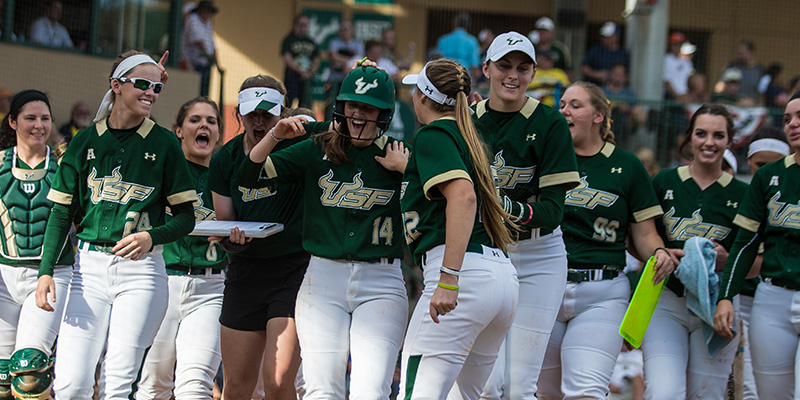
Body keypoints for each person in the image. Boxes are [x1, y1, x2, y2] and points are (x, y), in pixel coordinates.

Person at [238, 64, 409, 399]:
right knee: (320, 389)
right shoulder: (318, 147)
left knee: (370, 390)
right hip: (323, 277)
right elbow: (248, 176)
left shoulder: (398, 155)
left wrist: (407, 172)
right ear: (340, 108)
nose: (358, 114)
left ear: (385, 113)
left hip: (382, 281)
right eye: (351, 105)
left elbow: (438, 202)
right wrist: (275, 135)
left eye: (368, 107)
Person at [34, 50, 197, 399]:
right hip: (88, 268)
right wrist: (46, 270)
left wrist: (152, 237)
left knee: (117, 384)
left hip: (142, 271)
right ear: (116, 85)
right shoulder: (84, 142)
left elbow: (187, 217)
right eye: (141, 84)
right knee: (71, 384)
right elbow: (61, 215)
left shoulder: (165, 143)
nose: (151, 92)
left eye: (156, 87)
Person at [535, 82, 674, 400]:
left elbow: (644, 232)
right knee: (543, 393)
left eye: (575, 105)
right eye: (563, 105)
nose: (565, 111)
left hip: (602, 291)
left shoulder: (627, 165)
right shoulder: (546, 157)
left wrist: (659, 251)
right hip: (545, 287)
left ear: (599, 115)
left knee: (586, 392)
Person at [398, 57, 518, 400]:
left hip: (462, 275)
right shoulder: (470, 136)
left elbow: (463, 196)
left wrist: (449, 278)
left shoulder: (434, 133)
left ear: (422, 96)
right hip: (500, 278)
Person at [472, 31, 580, 400]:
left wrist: (500, 207)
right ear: (486, 68)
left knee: (519, 387)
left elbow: (551, 211)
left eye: (522, 67)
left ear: (533, 74)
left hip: (538, 256)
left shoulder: (549, 123)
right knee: (486, 385)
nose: (512, 75)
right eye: (504, 65)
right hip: (486, 254)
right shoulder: (467, 120)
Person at [206, 74, 309, 400]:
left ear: (284, 112)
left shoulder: (300, 148)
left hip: (293, 271)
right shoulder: (225, 158)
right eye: (253, 114)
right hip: (245, 272)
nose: (260, 121)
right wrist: (230, 239)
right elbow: (224, 222)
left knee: (278, 382)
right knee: (236, 385)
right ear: (239, 114)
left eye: (268, 114)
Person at [643, 104, 749, 400]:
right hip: (666, 299)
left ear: (729, 141)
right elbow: (639, 239)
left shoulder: (742, 194)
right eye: (701, 134)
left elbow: (755, 262)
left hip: (719, 304)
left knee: (707, 395)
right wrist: (659, 251)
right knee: (663, 393)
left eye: (719, 135)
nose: (709, 142)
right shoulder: (664, 181)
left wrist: (728, 260)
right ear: (689, 137)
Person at [136, 97, 235, 400]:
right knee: (153, 386)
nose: (204, 125)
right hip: (160, 281)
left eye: (211, 121)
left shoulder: (229, 176)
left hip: (211, 287)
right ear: (178, 131)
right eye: (194, 120)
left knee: (195, 386)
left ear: (219, 134)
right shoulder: (159, 170)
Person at [713, 92, 800, 400]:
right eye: (788, 118)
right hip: (771, 298)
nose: (793, 124)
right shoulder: (768, 177)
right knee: (768, 395)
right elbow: (746, 242)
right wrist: (726, 296)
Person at [0, 90, 74, 400]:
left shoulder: (66, 166)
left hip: (51, 276)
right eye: (30, 118)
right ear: (13, 121)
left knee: (30, 372)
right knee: (3, 379)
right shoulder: (0, 166)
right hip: (4, 278)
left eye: (45, 118)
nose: (38, 125)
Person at [281, 14, 320, 108]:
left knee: (305, 104)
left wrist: (310, 72)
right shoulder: (289, 39)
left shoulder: (311, 42)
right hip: (292, 76)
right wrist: (300, 71)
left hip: (307, 78)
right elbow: (287, 58)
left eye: (306, 25)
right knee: (289, 103)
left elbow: (317, 60)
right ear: (295, 24)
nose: (303, 27)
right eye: (301, 24)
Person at [181, 1, 218, 97]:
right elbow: (198, 41)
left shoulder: (208, 24)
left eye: (209, 11)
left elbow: (212, 44)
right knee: (191, 93)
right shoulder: (193, 19)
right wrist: (209, 56)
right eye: (206, 10)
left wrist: (217, 63)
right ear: (200, 10)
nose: (208, 13)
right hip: (191, 63)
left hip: (203, 65)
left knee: (201, 94)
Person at [581, 22, 629, 86]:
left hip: (615, 91)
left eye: (608, 36)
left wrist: (617, 77)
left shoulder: (623, 54)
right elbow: (583, 68)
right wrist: (597, 74)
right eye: (603, 36)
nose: (605, 39)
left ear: (617, 37)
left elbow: (628, 75)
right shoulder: (595, 50)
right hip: (595, 87)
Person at [436, 12, 480, 80]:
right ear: (468, 25)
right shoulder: (472, 41)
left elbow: (437, 62)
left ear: (454, 24)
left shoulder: (443, 40)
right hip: (463, 78)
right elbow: (474, 66)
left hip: (445, 77)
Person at [718, 40, 763, 104]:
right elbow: (720, 84)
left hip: (751, 107)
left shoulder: (760, 70)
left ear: (750, 52)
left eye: (741, 53)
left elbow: (762, 92)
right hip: (732, 104)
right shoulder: (732, 66)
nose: (738, 56)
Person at [329, 20, 364, 85]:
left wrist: (342, 64)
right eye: (343, 29)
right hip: (335, 78)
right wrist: (351, 62)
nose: (345, 31)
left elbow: (359, 59)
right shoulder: (334, 42)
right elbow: (334, 57)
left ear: (352, 30)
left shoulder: (359, 44)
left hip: (352, 78)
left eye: (347, 29)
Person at [663, 32, 694, 101]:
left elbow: (690, 80)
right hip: (671, 96)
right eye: (675, 44)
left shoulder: (687, 61)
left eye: (680, 44)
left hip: (685, 96)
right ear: (670, 45)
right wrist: (677, 96)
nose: (677, 46)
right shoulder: (666, 59)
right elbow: (666, 81)